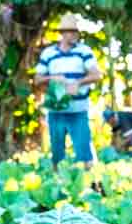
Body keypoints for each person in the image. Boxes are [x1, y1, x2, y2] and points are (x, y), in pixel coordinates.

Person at [33, 14, 103, 166]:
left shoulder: (84, 51)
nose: (74, 35)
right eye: (71, 31)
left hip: (78, 111)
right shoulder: (49, 53)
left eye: (76, 32)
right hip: (56, 111)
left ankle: (89, 185)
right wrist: (52, 78)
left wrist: (78, 82)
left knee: (85, 156)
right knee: (57, 157)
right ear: (63, 33)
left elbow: (97, 75)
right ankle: (58, 186)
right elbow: (37, 79)